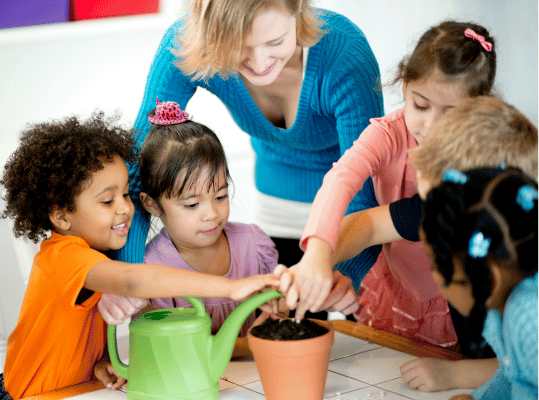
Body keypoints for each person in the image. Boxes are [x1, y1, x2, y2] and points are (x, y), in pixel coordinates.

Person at [0, 111, 279, 400]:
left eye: (125, 194)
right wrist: (231, 287)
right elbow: (135, 282)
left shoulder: (101, 257)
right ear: (61, 215)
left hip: (75, 391)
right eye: (107, 200)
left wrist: (98, 365)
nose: (125, 208)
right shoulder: (63, 257)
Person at [115, 0, 385, 312]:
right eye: (239, 47)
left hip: (351, 217)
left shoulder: (345, 54)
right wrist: (125, 277)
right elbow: (136, 169)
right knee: (274, 327)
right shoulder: (185, 44)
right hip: (276, 208)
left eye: (275, 42)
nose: (258, 63)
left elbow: (366, 186)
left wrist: (345, 274)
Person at [279, 96, 537, 391]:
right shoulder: (454, 205)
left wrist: (456, 376)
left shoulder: (528, 305)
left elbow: (520, 364)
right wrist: (316, 263)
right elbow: (368, 224)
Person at [284, 21, 497, 348]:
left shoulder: (487, 155)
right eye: (420, 105)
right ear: (404, 87)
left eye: (452, 113)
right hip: (400, 286)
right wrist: (317, 253)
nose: (432, 126)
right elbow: (343, 178)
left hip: (463, 295)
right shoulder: (388, 133)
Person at [99, 100, 279, 357]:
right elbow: (174, 348)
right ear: (152, 204)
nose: (212, 214)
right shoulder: (152, 271)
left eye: (220, 196)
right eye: (192, 204)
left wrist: (277, 309)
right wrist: (249, 345)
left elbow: (278, 310)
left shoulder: (254, 244)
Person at [421, 167, 537, 400]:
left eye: (440, 269)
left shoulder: (530, 319)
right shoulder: (501, 307)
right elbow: (513, 375)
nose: (434, 277)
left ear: (489, 278)